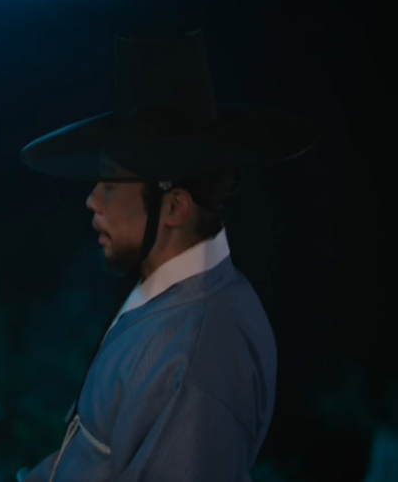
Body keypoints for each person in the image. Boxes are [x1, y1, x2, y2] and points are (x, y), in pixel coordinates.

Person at [17, 27, 315, 481]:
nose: (92, 200)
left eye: (112, 185)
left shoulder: (196, 357)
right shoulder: (171, 300)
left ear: (175, 207)